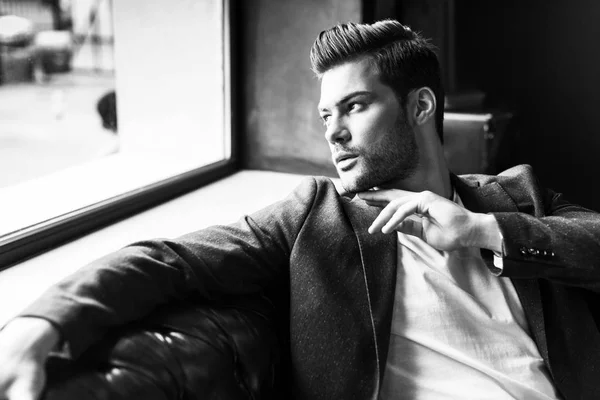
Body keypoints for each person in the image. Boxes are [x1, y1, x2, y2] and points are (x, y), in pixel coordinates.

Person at [1, 19, 600, 400]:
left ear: (420, 106)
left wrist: (483, 229)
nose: (333, 134)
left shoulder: (513, 197)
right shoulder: (314, 216)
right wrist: (40, 325)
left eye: (355, 107)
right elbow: (169, 260)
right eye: (325, 115)